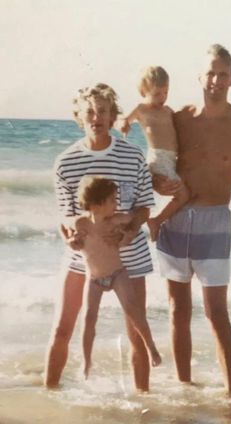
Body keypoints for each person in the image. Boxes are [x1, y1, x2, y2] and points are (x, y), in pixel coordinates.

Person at [154, 44, 231, 396]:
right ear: (199, 77)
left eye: (223, 73)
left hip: (215, 223)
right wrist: (158, 185)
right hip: (175, 222)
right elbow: (158, 166)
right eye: (210, 72)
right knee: (177, 311)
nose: (216, 79)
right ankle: (184, 388)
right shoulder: (180, 118)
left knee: (216, 313)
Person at [45, 83, 156, 392]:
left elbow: (145, 206)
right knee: (62, 328)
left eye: (103, 111)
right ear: (80, 117)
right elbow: (65, 215)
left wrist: (131, 230)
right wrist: (68, 237)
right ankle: (49, 399)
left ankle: (143, 403)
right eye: (89, 112)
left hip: (128, 258)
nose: (96, 117)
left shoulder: (132, 157)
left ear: (112, 116)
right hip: (83, 260)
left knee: (135, 329)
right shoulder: (65, 162)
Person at [62, 176, 161, 378]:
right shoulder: (81, 223)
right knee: (89, 318)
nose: (117, 204)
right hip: (94, 279)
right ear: (96, 205)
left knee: (134, 310)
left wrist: (128, 229)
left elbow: (134, 217)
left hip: (118, 274)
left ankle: (151, 348)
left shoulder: (115, 220)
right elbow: (65, 228)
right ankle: (86, 362)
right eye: (112, 200)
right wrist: (71, 241)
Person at [116, 66, 189, 241]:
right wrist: (123, 124)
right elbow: (123, 119)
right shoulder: (142, 109)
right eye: (157, 94)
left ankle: (145, 219)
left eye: (166, 93)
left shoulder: (168, 111)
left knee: (182, 192)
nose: (162, 98)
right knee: (183, 194)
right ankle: (155, 220)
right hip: (159, 158)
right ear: (144, 91)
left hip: (172, 159)